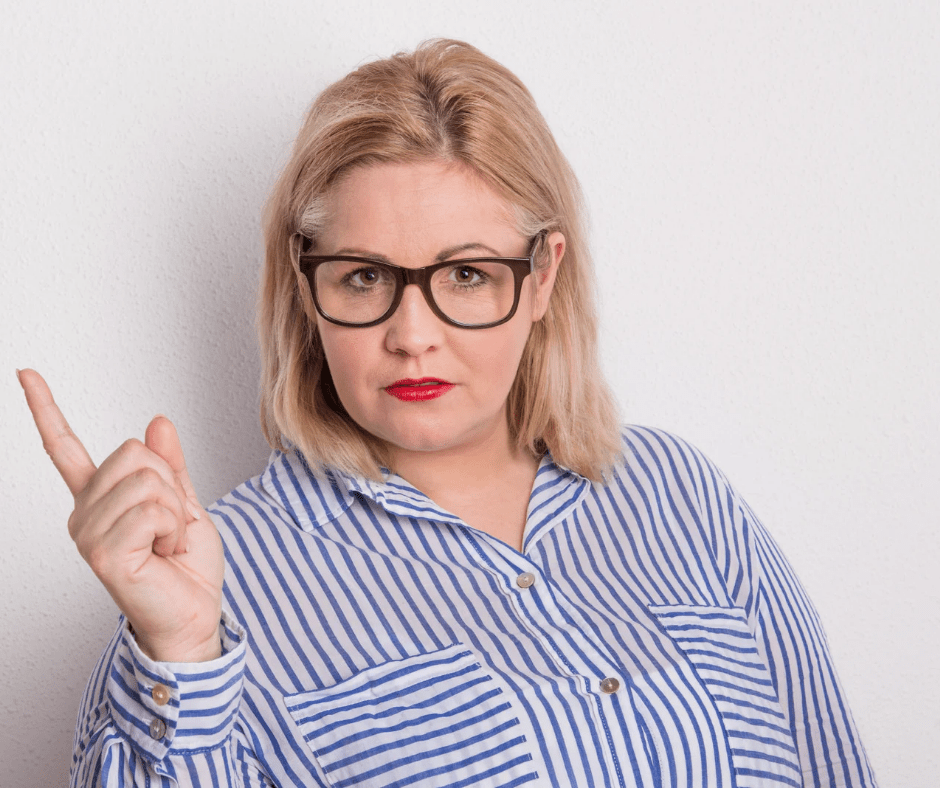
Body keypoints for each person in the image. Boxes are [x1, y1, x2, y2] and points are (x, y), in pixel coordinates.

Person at [20, 39, 877, 788]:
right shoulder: (213, 585)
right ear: (308, 288)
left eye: (466, 275)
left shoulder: (679, 494)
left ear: (541, 277)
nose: (412, 336)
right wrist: (181, 651)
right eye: (364, 277)